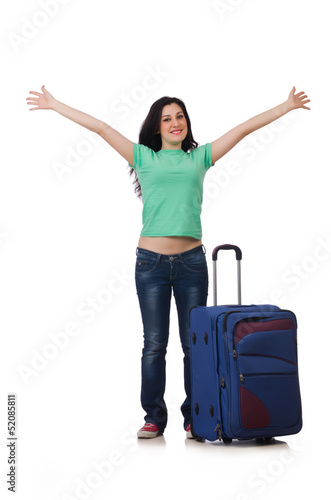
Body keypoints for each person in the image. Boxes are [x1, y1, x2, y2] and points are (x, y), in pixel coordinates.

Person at [26, 85, 310, 439]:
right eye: (167, 119)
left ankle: (196, 417)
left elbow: (241, 129)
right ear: (157, 128)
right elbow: (100, 127)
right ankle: (154, 418)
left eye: (180, 117)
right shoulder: (143, 157)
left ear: (186, 123)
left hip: (192, 262)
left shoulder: (200, 158)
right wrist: (54, 105)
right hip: (151, 265)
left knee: (195, 345)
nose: (175, 123)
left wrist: (285, 107)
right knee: (154, 344)